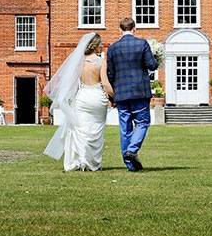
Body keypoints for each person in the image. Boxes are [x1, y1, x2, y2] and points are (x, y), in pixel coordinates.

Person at [43, 33, 114, 171]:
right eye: (101, 44)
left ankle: (81, 160)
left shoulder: (78, 62)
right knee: (96, 131)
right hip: (98, 97)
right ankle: (92, 163)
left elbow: (70, 83)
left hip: (83, 97)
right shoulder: (101, 61)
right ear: (96, 46)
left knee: (80, 129)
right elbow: (105, 83)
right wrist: (115, 96)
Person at [106, 16, 159, 171]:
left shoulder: (112, 48)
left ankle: (130, 164)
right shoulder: (142, 44)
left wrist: (112, 94)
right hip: (140, 92)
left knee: (125, 127)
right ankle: (132, 150)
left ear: (120, 30)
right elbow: (151, 65)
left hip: (121, 93)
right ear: (134, 29)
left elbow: (110, 73)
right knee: (142, 123)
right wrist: (155, 58)